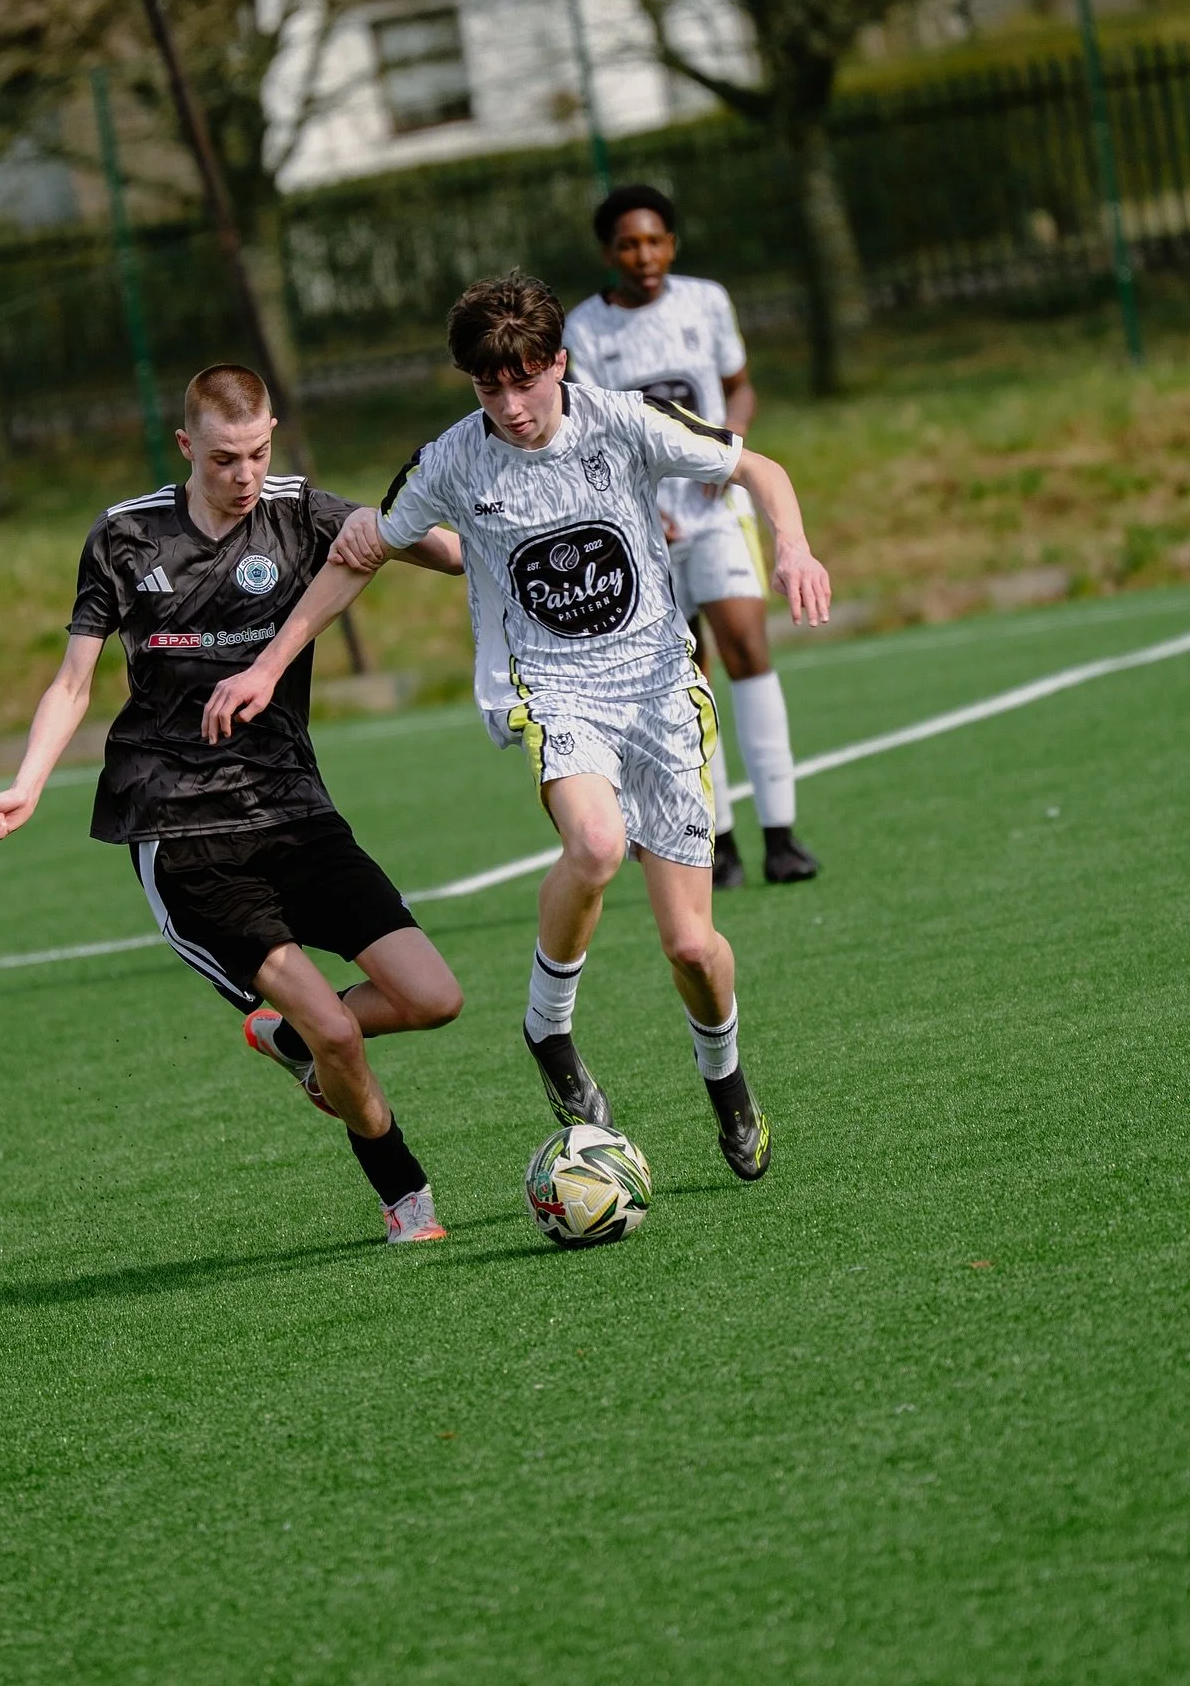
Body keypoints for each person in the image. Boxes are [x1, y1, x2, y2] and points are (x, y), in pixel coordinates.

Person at [200, 275, 832, 1183]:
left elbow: (759, 468)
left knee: (692, 946)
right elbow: (360, 552)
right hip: (552, 691)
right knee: (597, 844)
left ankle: (729, 1087)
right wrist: (267, 664)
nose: (512, 406)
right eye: (489, 388)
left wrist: (794, 545)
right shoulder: (451, 461)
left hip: (661, 690)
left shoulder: (622, 420)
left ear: (559, 365)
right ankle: (550, 1028)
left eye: (526, 382)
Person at [0, 364, 466, 1246]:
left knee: (433, 997)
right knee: (341, 1034)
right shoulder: (125, 537)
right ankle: (406, 1197)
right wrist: (28, 782)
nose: (244, 475)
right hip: (183, 832)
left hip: (295, 812)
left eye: (260, 452)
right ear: (188, 447)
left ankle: (294, 1039)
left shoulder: (299, 509)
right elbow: (74, 681)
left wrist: (421, 524)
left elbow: (428, 545)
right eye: (226, 458)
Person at [562, 183, 819, 889]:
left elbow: (740, 386)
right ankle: (718, 841)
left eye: (655, 240)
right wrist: (629, 499)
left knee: (747, 649)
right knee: (682, 679)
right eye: (627, 244)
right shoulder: (583, 330)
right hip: (641, 527)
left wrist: (727, 444)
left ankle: (783, 835)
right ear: (608, 252)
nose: (643, 255)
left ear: (672, 244)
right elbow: (586, 429)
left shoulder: (706, 300)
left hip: (714, 514)